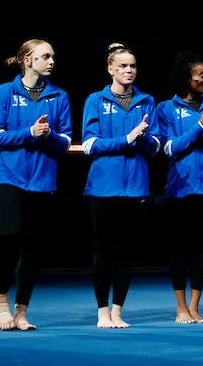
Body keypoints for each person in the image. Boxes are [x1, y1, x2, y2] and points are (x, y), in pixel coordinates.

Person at [0, 39, 73, 330]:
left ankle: (21, 311)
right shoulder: (4, 92)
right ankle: (1, 302)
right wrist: (29, 132)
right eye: (45, 56)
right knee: (10, 235)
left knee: (32, 248)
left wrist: (47, 135)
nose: (51, 61)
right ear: (27, 60)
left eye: (53, 56)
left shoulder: (59, 96)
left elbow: (64, 142)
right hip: (7, 177)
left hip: (42, 180)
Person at [82, 43, 161, 328]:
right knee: (104, 250)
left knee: (127, 251)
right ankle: (102, 311)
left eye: (133, 66)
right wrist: (127, 139)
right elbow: (90, 144)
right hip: (103, 188)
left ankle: (118, 310)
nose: (129, 70)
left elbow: (156, 146)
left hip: (136, 188)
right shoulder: (95, 100)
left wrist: (144, 139)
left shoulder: (147, 101)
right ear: (110, 69)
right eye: (124, 66)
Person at [155, 53, 203, 323]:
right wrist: (200, 126)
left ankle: (195, 307)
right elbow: (169, 148)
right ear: (186, 78)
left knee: (202, 249)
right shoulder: (165, 109)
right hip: (180, 190)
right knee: (178, 249)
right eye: (201, 75)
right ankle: (180, 308)